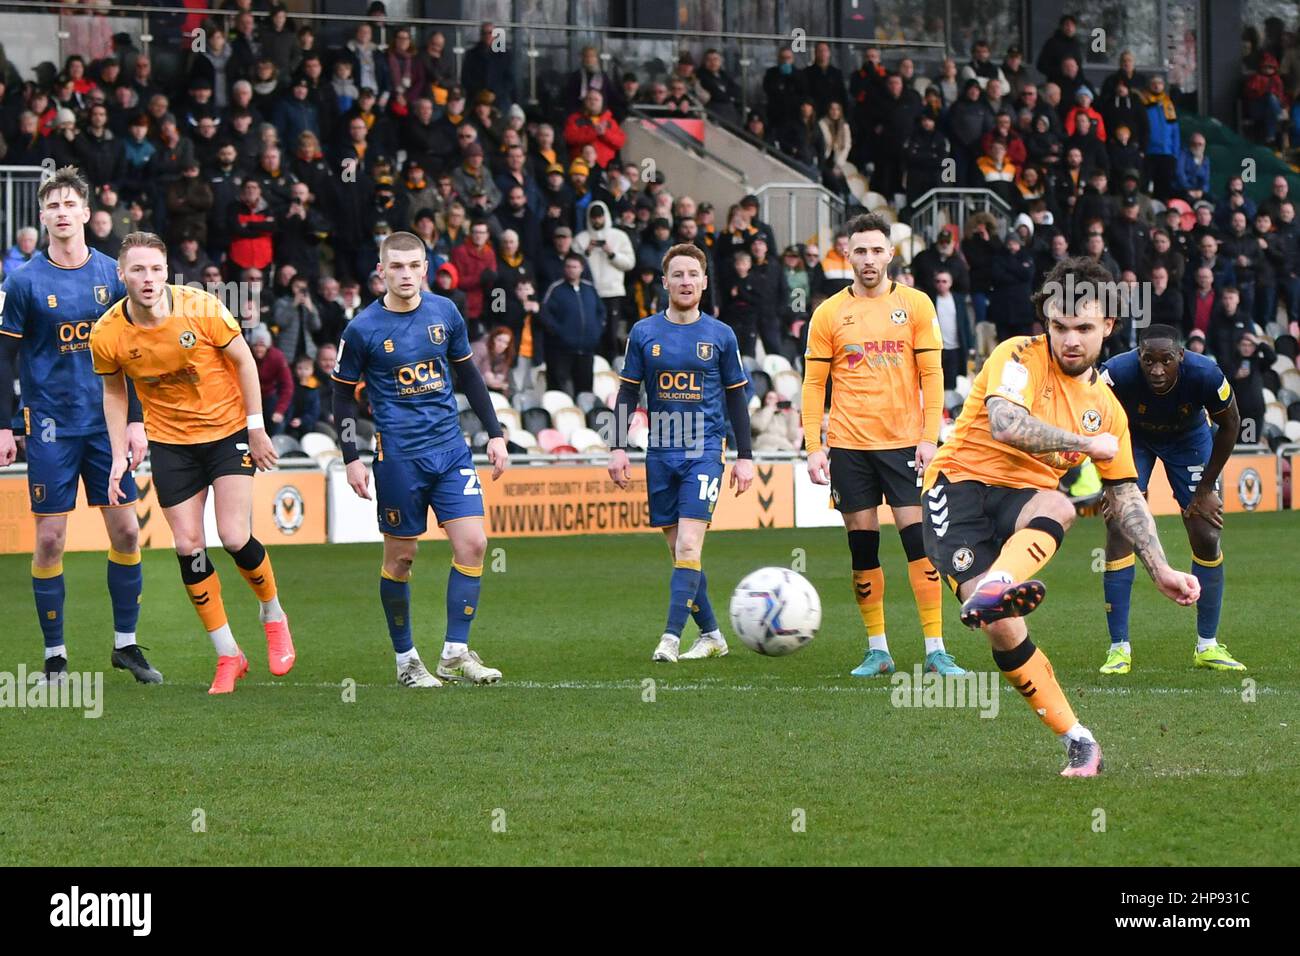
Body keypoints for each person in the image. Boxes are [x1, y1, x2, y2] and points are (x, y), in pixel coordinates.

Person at [920, 257, 1200, 776]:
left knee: (1059, 502)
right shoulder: (1018, 357)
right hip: (957, 489)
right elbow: (1005, 423)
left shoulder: (1107, 405)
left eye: (1084, 328)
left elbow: (1125, 494)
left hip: (1025, 498)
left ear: (1109, 327)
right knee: (1003, 627)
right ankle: (1076, 734)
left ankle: (997, 589)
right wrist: (1082, 443)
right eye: (1059, 326)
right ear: (1045, 323)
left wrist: (1160, 567)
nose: (1069, 339)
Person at [92, 232, 296, 695]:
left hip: (226, 433)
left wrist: (256, 427)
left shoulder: (201, 307)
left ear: (168, 272)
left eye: (156, 269)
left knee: (233, 535)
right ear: (122, 274)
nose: (148, 279)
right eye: (138, 270)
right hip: (170, 444)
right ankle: (229, 655)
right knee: (189, 546)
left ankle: (273, 614)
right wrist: (117, 454)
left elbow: (244, 361)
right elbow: (113, 390)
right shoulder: (107, 333)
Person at [0, 166, 158, 685]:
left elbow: (132, 352)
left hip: (107, 425)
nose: (62, 214)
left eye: (71, 205)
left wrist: (136, 421)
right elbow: (4, 357)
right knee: (49, 540)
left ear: (87, 213)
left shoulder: (114, 275)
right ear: (42, 216)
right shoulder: (22, 280)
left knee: (127, 530)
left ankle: (126, 645)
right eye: (53, 207)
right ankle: (55, 655)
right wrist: (5, 425)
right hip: (48, 426)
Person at [332, 231, 508, 688]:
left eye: (414, 266)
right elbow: (341, 396)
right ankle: (407, 660)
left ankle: (454, 652)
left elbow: (469, 374)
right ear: (381, 271)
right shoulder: (362, 329)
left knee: (473, 545)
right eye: (397, 267)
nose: (406, 274)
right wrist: (351, 456)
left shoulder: (445, 312)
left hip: (451, 450)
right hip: (400, 458)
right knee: (402, 558)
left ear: (425, 269)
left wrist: (495, 433)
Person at [801, 213, 958, 678]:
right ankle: (878, 649)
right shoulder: (828, 313)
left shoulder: (916, 305)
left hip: (905, 445)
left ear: (891, 254)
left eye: (876, 250)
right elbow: (814, 385)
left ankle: (935, 649)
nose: (868, 259)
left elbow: (933, 376)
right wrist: (815, 445)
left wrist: (930, 438)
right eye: (860, 250)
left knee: (920, 546)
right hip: (849, 446)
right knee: (863, 550)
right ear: (846, 255)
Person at [608, 242, 753, 662]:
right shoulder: (644, 332)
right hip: (660, 451)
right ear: (665, 281)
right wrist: (617, 446)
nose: (686, 281)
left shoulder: (721, 335)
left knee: (689, 547)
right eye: (678, 274)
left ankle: (669, 639)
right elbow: (627, 392)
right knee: (679, 553)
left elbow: (736, 400)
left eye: (693, 274)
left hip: (704, 450)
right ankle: (711, 635)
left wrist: (744, 456)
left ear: (704, 282)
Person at [1098, 325, 1245, 675]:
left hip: (1189, 438)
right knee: (1120, 526)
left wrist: (1206, 489)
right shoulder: (1114, 375)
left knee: (1206, 532)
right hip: (1133, 438)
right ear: (1138, 357)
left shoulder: (1206, 373)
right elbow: (1094, 422)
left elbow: (1231, 425)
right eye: (1149, 360)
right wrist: (1110, 485)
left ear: (1181, 356)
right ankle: (1119, 648)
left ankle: (1207, 646)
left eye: (1166, 360)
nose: (1157, 369)